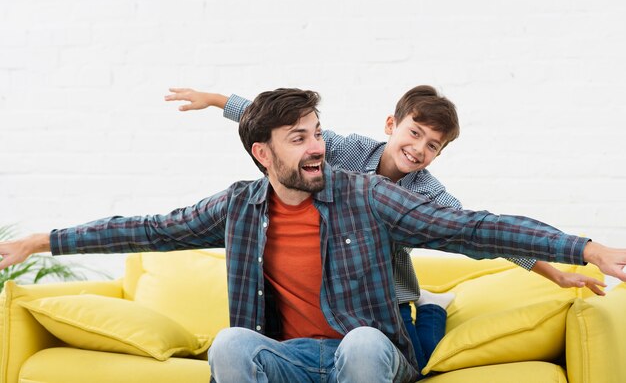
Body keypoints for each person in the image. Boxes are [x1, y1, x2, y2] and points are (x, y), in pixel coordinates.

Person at [2, 88, 625, 383]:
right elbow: (148, 229)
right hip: (293, 358)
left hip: (372, 351)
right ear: (261, 154)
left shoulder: (368, 193)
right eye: (298, 138)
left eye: (317, 133)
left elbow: (473, 228)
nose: (317, 147)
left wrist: (586, 250)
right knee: (229, 346)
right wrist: (38, 241)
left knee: (358, 342)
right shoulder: (240, 207)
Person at [164, 85, 606, 377]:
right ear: (392, 126)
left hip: (387, 298)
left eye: (433, 145)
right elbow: (275, 124)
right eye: (414, 133)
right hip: (341, 289)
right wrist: (214, 99)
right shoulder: (345, 151)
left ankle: (432, 307)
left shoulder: (430, 194)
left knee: (418, 351)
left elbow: (481, 235)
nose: (419, 149)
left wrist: (559, 272)